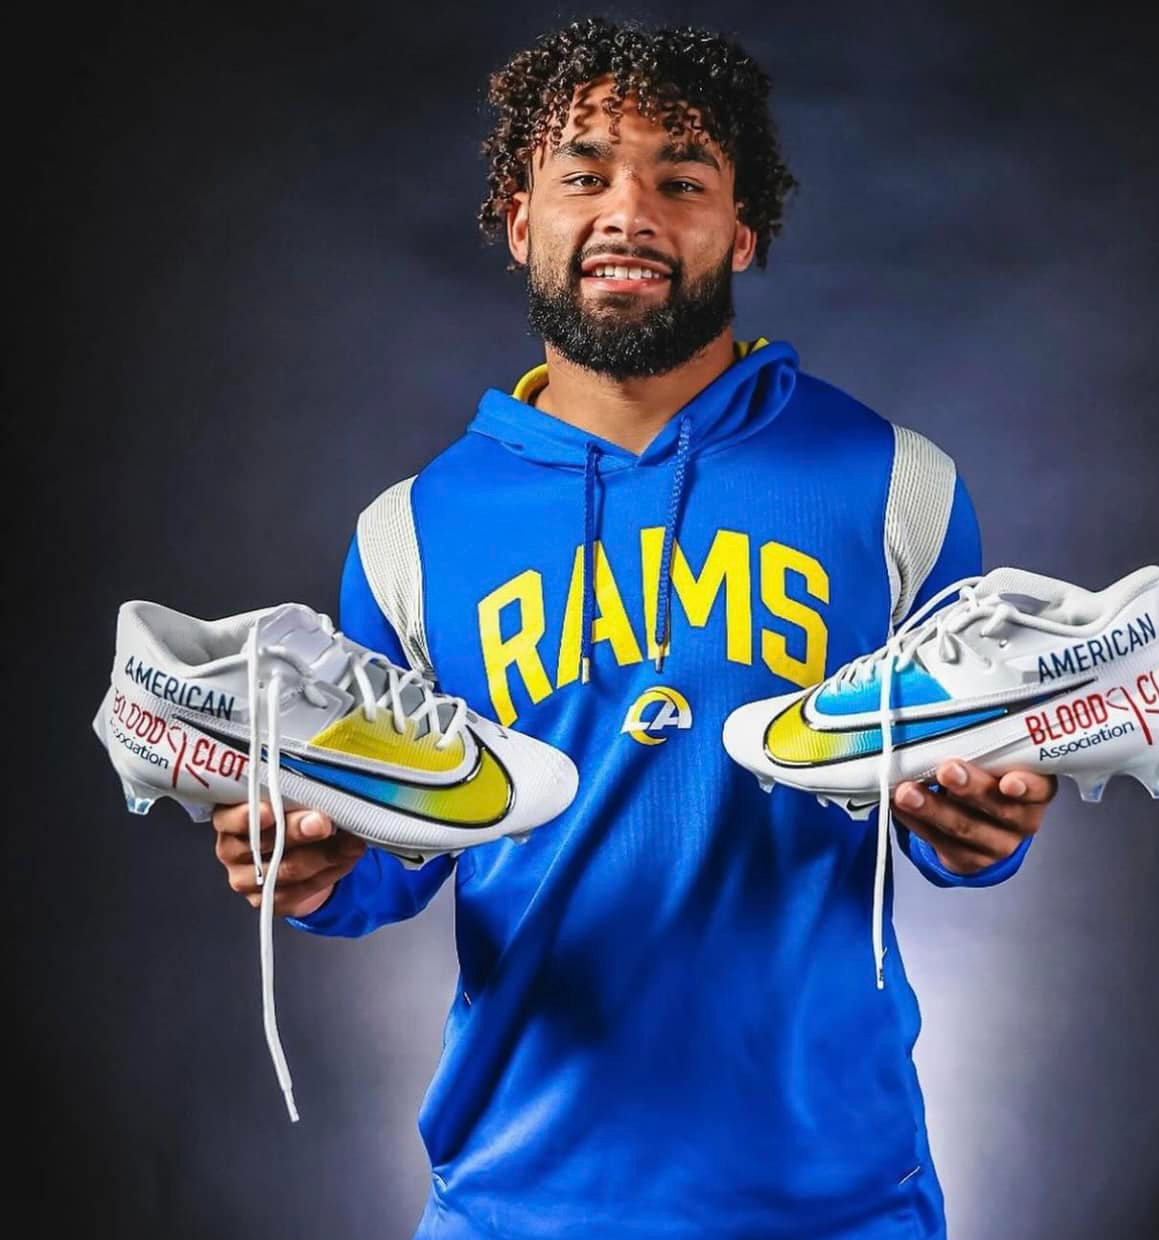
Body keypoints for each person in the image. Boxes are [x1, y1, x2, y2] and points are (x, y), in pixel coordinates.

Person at [213, 18, 1057, 1239]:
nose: (629, 211)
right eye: (585, 173)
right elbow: (390, 857)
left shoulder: (895, 486)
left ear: (741, 229)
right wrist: (308, 869)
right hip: (515, 1206)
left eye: (682, 178)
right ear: (520, 221)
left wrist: (987, 831)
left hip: (836, 1202)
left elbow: (952, 808)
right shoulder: (411, 532)